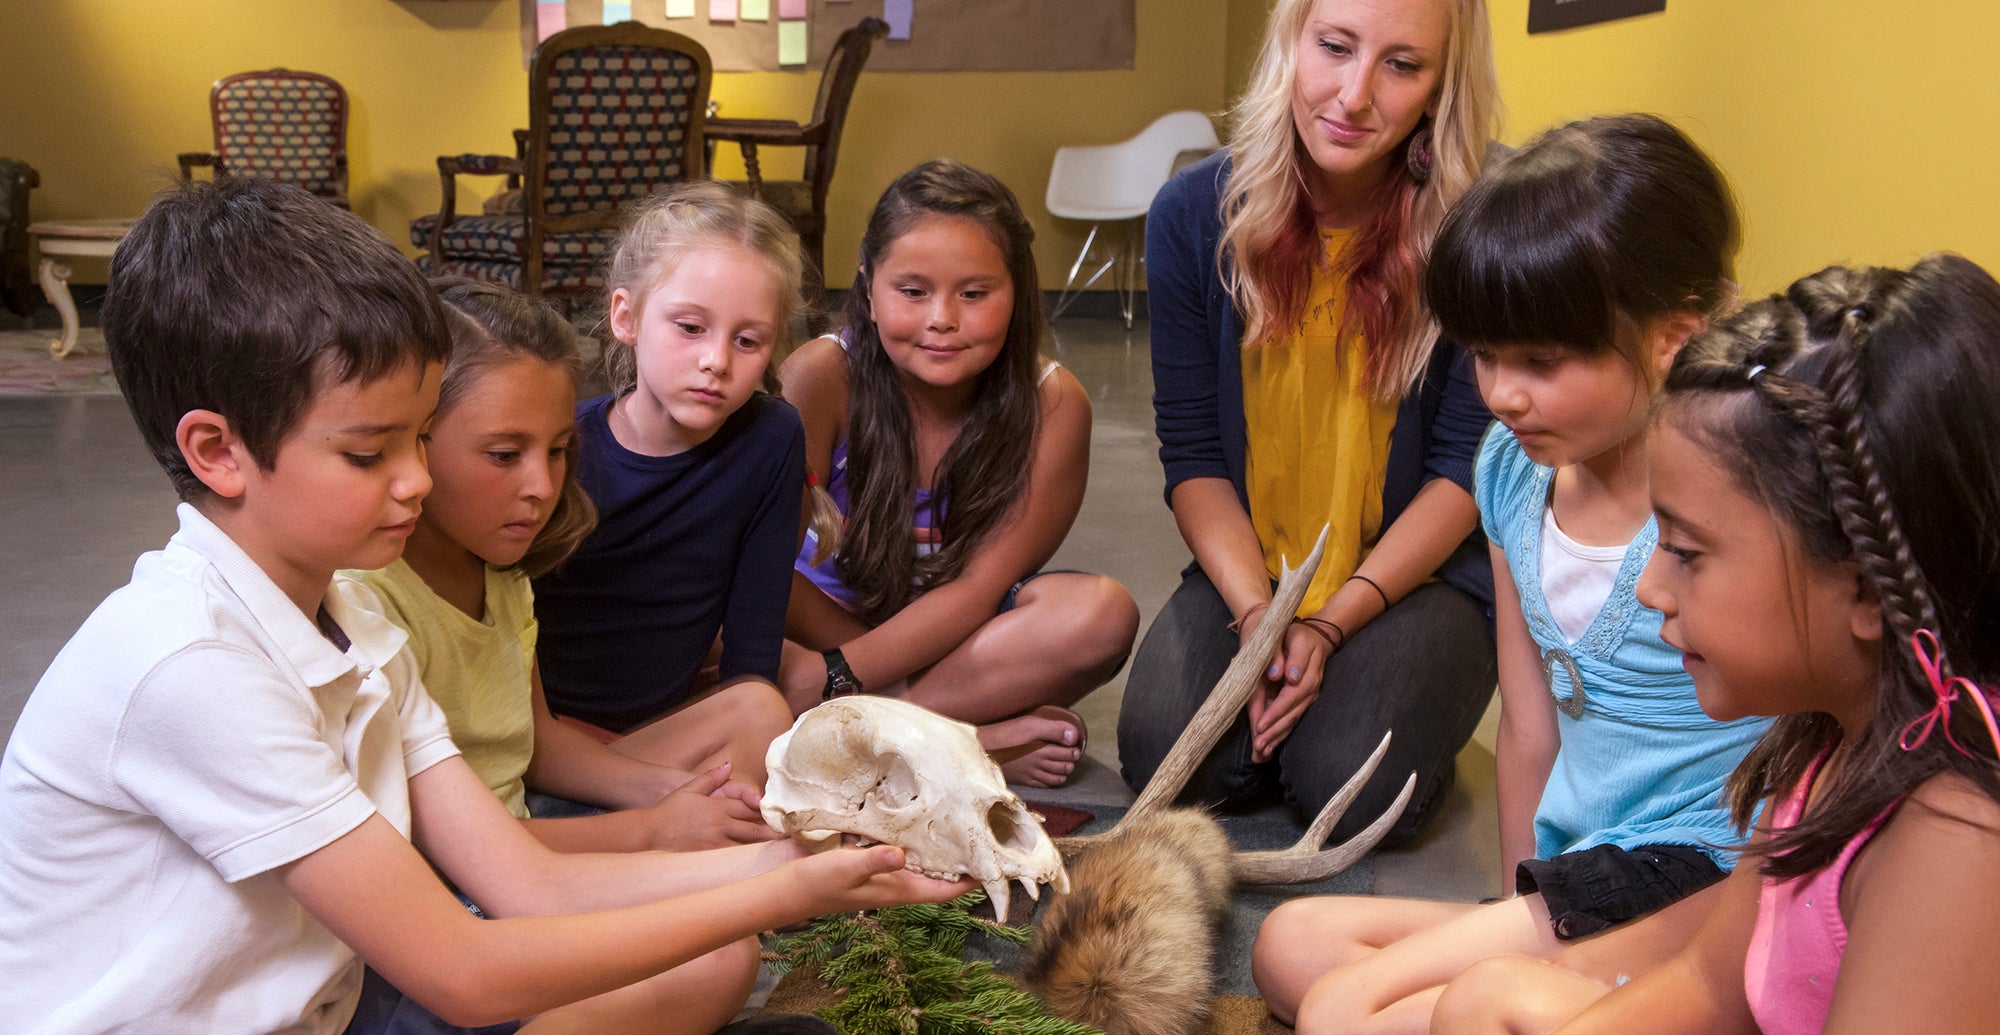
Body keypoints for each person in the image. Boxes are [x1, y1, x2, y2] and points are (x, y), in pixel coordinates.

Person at [0, 177, 966, 1035]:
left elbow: (524, 877)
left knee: (705, 960)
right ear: (218, 452)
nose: (418, 481)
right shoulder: (192, 665)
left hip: (329, 1000)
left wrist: (810, 867)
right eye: (369, 452)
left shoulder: (353, 622)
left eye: (423, 438)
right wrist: (783, 886)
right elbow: (465, 974)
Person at [1253, 114, 1768, 1034]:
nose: (1502, 392)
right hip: (1582, 879)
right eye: (1484, 354)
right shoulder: (1509, 470)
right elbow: (1528, 726)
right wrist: (1511, 912)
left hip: (1697, 876)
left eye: (1541, 360)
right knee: (1288, 945)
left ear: (1672, 340)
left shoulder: (1733, 508)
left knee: (1344, 1010)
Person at [1431, 254, 2000, 1034]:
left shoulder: (1957, 838)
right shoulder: (1819, 744)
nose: (1650, 588)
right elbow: (1710, 979)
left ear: (1866, 587)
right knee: (1483, 1003)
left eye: (1688, 554)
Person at [1120, 0, 1502, 840]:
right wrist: (1261, 621)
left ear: (1443, 86)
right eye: (1333, 47)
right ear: (1291, 41)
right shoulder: (1191, 214)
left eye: (1403, 66)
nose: (1353, 94)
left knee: (1344, 785)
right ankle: (1294, 675)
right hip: (1259, 564)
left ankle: (1386, 687)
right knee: (1162, 758)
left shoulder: (1482, 220)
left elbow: (1462, 470)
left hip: (1418, 575)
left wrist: (1331, 625)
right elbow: (1192, 456)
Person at [343, 278, 776, 854]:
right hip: (458, 868)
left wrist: (679, 793)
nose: (543, 487)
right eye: (504, 455)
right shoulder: (367, 599)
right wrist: (651, 828)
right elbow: (422, 844)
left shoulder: (501, 567)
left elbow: (536, 742)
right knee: (723, 947)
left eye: (557, 449)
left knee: (757, 707)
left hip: (527, 814)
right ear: (415, 438)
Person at [778, 159, 1139, 788]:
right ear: (868, 288)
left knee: (1101, 615)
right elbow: (766, 561)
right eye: (912, 292)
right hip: (822, 626)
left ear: (1017, 293)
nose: (942, 318)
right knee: (710, 595)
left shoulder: (1053, 403)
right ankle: (968, 744)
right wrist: (836, 664)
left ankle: (865, 735)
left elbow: (978, 590)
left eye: (974, 294)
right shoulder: (821, 375)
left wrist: (836, 681)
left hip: (958, 641)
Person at [530, 182, 805, 790]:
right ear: (625, 317)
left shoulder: (771, 435)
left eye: (747, 340)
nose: (717, 361)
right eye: (690, 327)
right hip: (546, 739)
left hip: (671, 730)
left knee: (766, 707)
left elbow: (753, 650)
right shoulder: (559, 449)